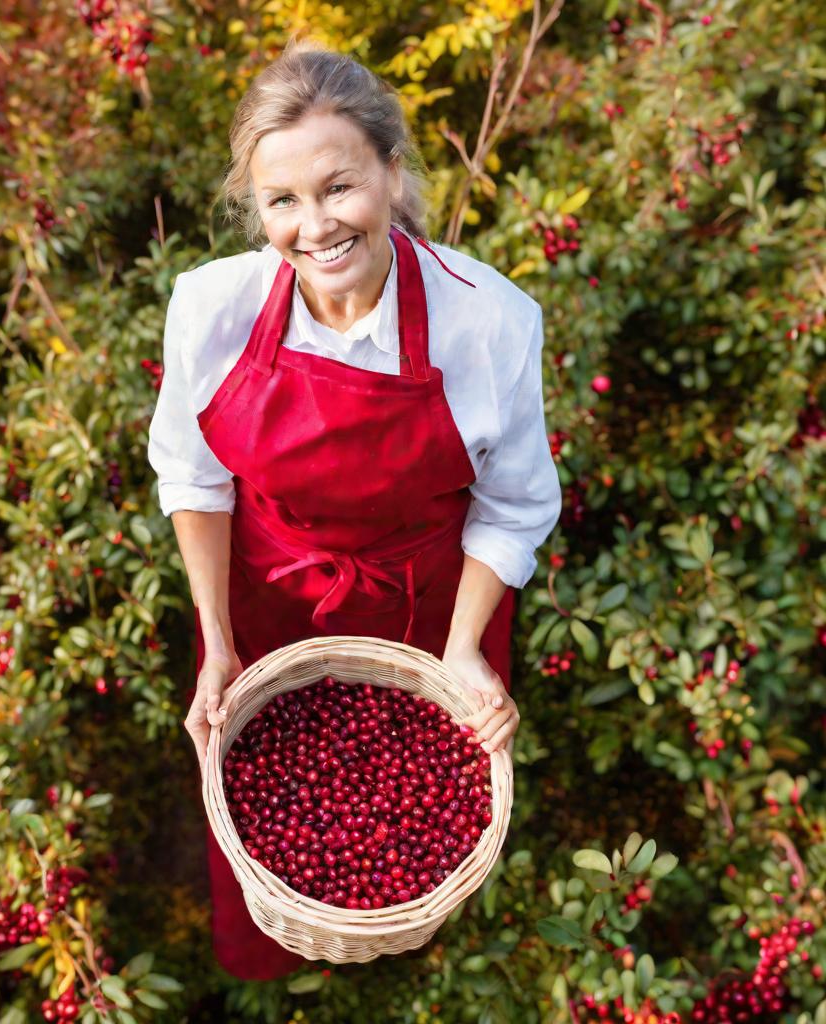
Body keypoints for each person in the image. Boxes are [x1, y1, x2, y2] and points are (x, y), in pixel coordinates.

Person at [146, 39, 562, 981]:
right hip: (264, 598)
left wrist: (461, 655)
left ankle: (397, 940)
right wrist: (216, 640)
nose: (314, 225)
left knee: (413, 823)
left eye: (339, 187)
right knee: (267, 803)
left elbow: (514, 506)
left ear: (392, 172)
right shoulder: (211, 307)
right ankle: (280, 954)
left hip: (428, 606)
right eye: (281, 202)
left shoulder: (486, 321)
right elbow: (196, 478)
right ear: (255, 209)